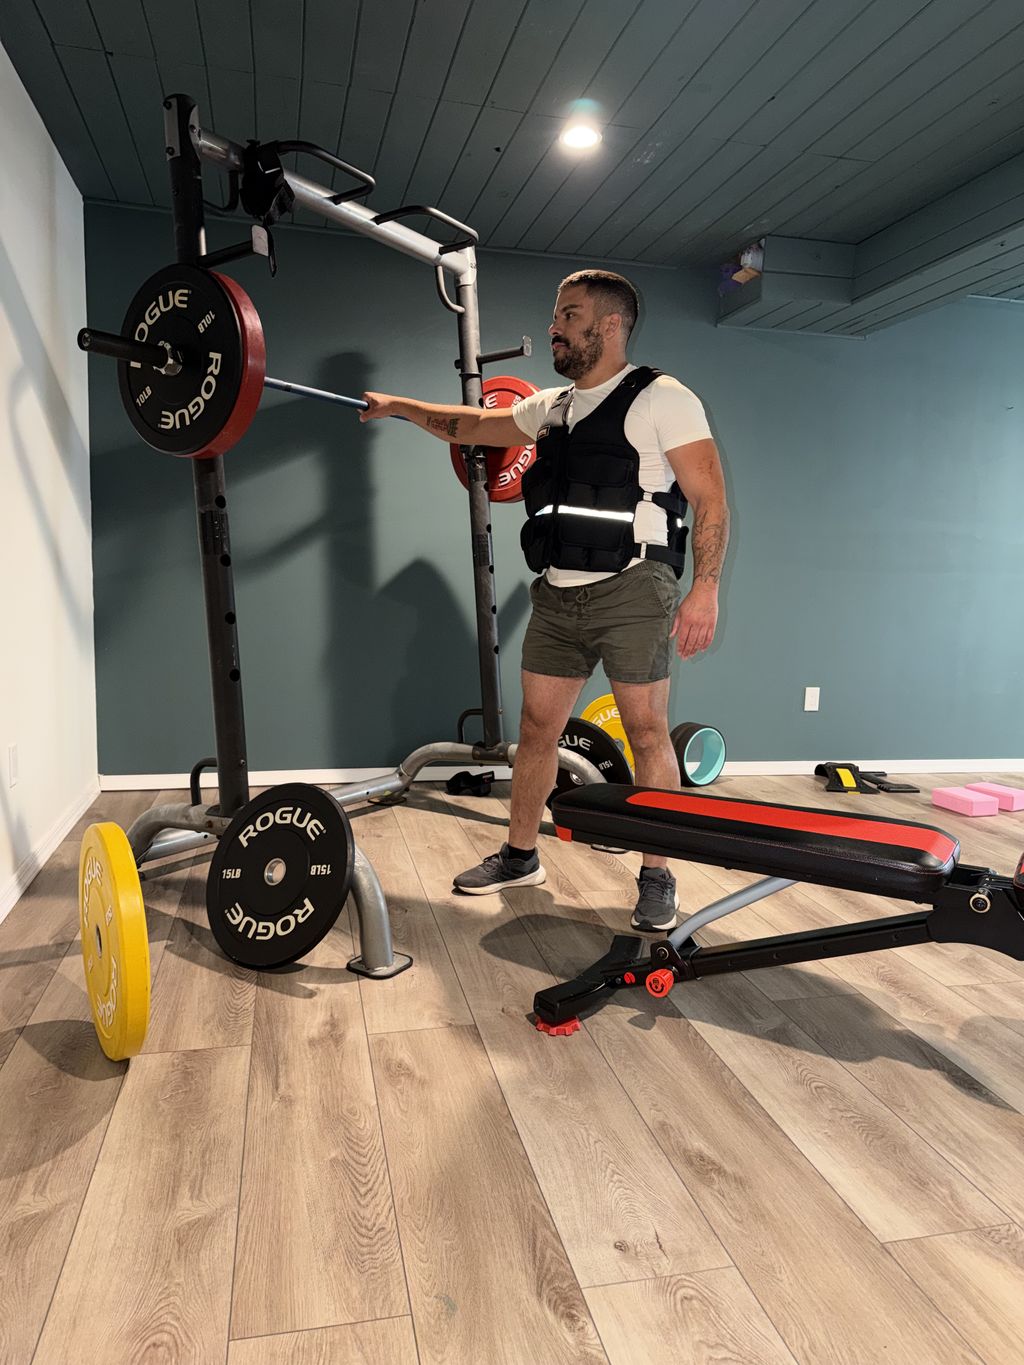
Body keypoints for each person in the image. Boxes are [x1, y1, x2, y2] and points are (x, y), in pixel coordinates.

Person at [360, 269, 729, 931]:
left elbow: (710, 499)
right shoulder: (551, 407)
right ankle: (520, 853)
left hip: (634, 589)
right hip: (558, 594)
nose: (554, 326)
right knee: (536, 732)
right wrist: (401, 407)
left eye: (569, 314)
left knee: (647, 733)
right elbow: (471, 423)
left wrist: (705, 586)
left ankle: (657, 873)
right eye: (556, 314)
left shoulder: (662, 398)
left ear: (609, 324)